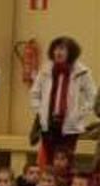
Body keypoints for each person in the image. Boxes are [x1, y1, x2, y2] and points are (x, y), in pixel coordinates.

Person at [30, 36, 97, 166]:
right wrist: (39, 110)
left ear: (70, 51)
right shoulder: (45, 70)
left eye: (62, 49)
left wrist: (79, 114)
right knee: (49, 162)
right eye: (55, 49)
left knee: (66, 162)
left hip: (70, 126)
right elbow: (35, 93)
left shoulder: (82, 72)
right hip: (49, 125)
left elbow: (92, 96)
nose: (58, 52)